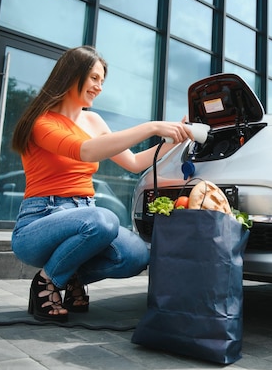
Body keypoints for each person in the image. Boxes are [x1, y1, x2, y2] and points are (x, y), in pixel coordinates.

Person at [11, 45, 192, 322]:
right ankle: (45, 283)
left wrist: (174, 138)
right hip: (41, 222)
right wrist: (153, 126)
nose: (99, 87)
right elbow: (87, 151)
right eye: (94, 78)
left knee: (135, 255)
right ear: (72, 74)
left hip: (86, 215)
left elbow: (133, 162)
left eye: (102, 81)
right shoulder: (42, 122)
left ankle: (69, 277)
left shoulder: (93, 120)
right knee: (103, 220)